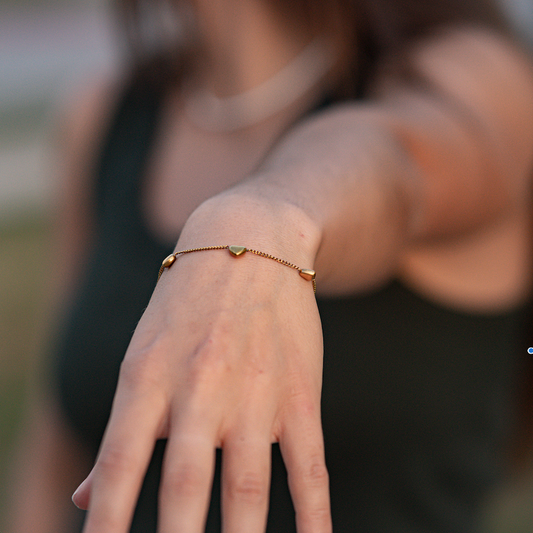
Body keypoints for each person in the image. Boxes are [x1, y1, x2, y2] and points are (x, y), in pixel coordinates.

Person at [5, 0, 533, 532]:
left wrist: (264, 219)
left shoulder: (471, 82)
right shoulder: (106, 116)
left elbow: (399, 161)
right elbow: (55, 458)